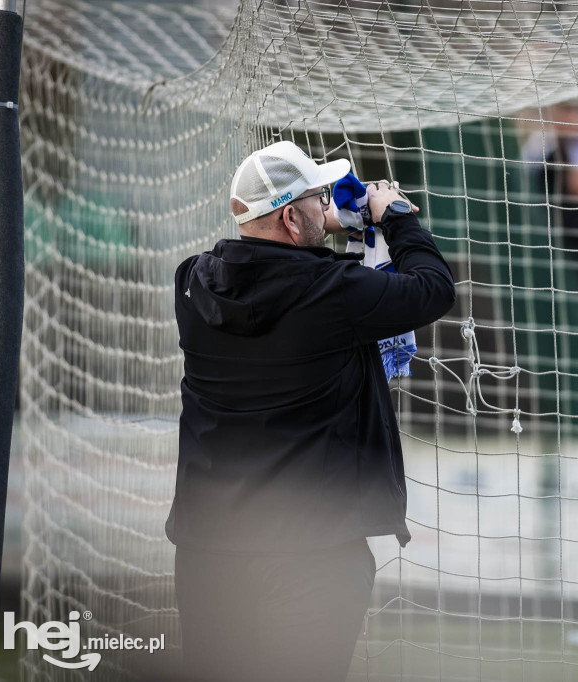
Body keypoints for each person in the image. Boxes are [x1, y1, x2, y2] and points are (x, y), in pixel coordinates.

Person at [165, 140, 456, 681]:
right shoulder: (334, 294)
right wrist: (391, 218)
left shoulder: (191, 283)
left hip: (207, 551)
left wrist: (332, 227)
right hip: (310, 552)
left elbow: (285, 286)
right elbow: (433, 289)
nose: (329, 207)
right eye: (320, 199)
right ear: (291, 220)